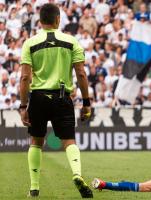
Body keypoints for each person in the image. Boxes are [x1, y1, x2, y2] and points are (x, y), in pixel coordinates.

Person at [19, 3, 93, 198]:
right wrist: (86, 102)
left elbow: (25, 77)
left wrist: (23, 105)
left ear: (40, 20)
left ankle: (34, 188)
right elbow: (81, 74)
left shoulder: (30, 43)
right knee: (69, 141)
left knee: (36, 141)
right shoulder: (71, 41)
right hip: (62, 97)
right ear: (58, 19)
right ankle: (77, 174)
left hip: (38, 98)